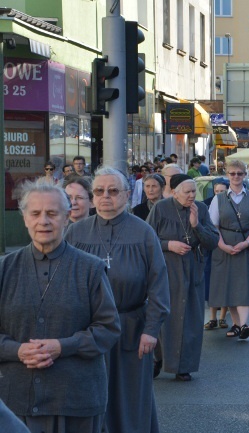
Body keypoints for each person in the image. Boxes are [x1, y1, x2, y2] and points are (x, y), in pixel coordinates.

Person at [0, 179, 120, 433]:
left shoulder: (91, 268)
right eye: (36, 213)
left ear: (66, 218)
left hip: (76, 400)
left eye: (52, 213)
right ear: (24, 219)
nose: (44, 221)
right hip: (15, 404)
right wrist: (17, 350)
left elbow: (108, 329)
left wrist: (62, 346)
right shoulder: (4, 270)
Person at [65, 167, 170, 432]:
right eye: (99, 191)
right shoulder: (76, 233)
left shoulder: (143, 232)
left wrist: (152, 330)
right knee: (89, 396)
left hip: (132, 329)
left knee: (131, 397)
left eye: (113, 191)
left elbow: (159, 285)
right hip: (86, 330)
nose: (105, 197)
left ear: (126, 195)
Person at [146, 174, 219, 381]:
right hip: (166, 270)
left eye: (194, 192)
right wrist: (169, 245)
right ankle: (157, 358)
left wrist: (196, 225)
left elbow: (212, 241)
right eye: (186, 192)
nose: (191, 196)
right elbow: (147, 240)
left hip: (192, 270)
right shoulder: (160, 209)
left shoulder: (201, 209)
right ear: (174, 192)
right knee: (164, 317)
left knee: (190, 320)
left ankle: (183, 366)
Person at [208, 160, 249, 340]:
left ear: (245, 175)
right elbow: (213, 226)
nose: (236, 177)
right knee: (230, 287)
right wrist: (223, 246)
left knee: (245, 286)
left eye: (239, 173)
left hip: (245, 245)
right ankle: (238, 325)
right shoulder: (218, 199)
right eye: (232, 173)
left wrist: (247, 243)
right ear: (227, 175)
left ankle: (243, 324)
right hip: (224, 246)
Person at [203, 180, 230, 330]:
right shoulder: (205, 203)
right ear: (214, 190)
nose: (219, 193)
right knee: (212, 282)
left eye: (222, 191)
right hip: (211, 247)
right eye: (217, 191)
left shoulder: (230, 204)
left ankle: (222, 318)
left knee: (225, 281)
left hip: (226, 244)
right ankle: (212, 317)